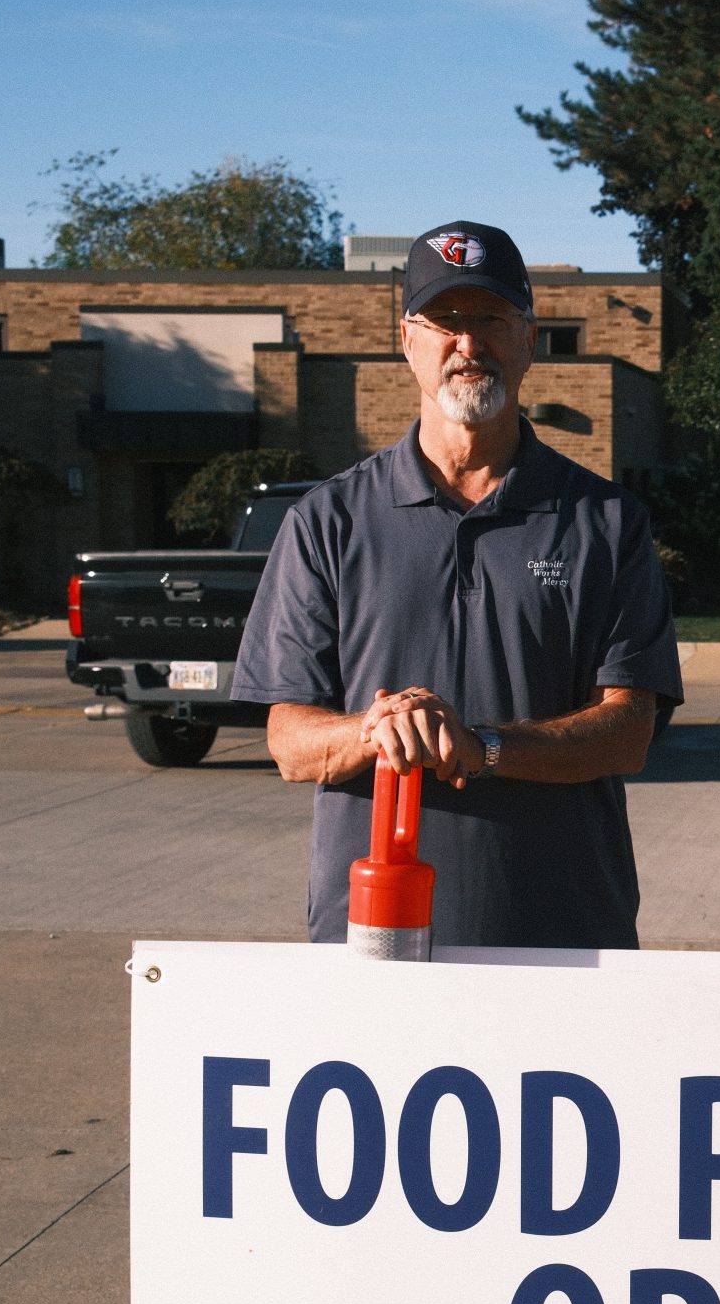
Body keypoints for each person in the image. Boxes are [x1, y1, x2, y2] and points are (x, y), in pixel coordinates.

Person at [232, 220, 682, 947]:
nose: (468, 343)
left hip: (566, 939)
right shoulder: (328, 520)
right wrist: (375, 731)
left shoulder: (607, 522)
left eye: (491, 318)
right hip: (376, 939)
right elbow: (288, 739)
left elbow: (629, 730)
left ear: (529, 340)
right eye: (444, 320)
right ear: (407, 340)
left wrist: (485, 746)